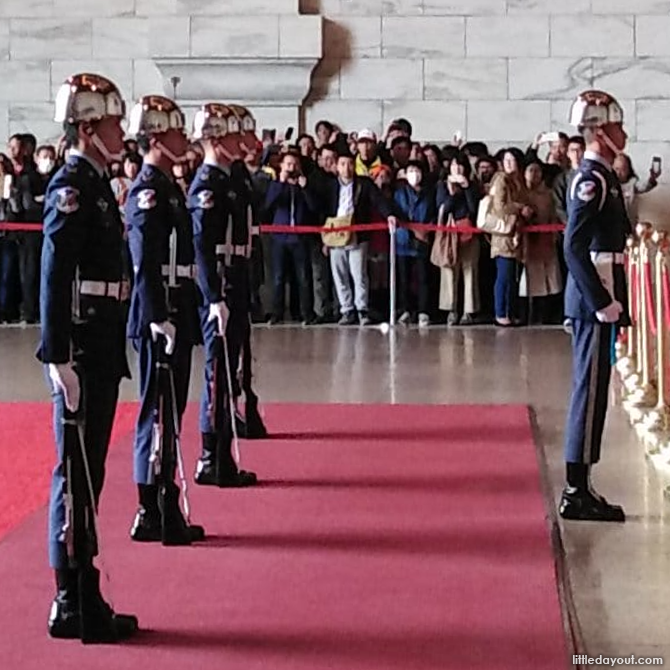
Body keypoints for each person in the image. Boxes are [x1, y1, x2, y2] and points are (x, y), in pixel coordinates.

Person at [39, 73, 137, 642]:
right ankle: (70, 596)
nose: (121, 131)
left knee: (88, 471)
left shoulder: (97, 183)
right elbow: (54, 274)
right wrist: (57, 356)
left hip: (99, 346)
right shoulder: (71, 186)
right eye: (112, 123)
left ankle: (82, 587)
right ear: (87, 127)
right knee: (73, 473)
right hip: (80, 347)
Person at [125, 95, 205, 545]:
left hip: (177, 311)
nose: (184, 139)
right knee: (155, 413)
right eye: (176, 133)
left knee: (168, 412)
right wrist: (158, 316)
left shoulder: (170, 185)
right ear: (157, 139)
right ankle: (149, 507)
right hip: (161, 317)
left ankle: (165, 499)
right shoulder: (149, 191)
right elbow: (144, 264)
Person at [561, 90, 632, 522]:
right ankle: (575, 490)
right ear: (601, 131)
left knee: (595, 392)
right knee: (588, 393)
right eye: (617, 125)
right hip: (595, 297)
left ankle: (583, 484)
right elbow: (573, 246)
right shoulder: (591, 179)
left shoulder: (605, 175)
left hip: (603, 292)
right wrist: (602, 301)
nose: (624, 133)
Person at [189, 103, 260, 487]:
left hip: (235, 281)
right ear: (215, 139)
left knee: (228, 371)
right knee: (217, 372)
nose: (240, 142)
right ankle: (209, 454)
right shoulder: (207, 185)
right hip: (220, 286)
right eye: (232, 136)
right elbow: (201, 246)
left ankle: (223, 452)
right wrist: (213, 295)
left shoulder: (230, 179)